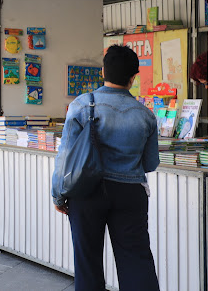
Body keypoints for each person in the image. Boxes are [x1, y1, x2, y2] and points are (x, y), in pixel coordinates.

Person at [52, 45, 160, 291]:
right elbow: (150, 163)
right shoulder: (146, 115)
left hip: (86, 192)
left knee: (87, 262)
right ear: (133, 78)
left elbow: (65, 157)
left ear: (103, 71)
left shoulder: (80, 106)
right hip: (130, 194)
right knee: (136, 259)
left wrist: (58, 194)